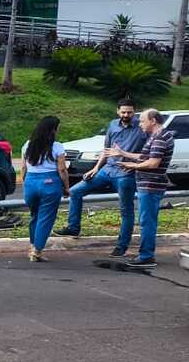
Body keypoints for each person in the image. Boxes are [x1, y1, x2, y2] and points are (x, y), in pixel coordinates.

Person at [56, 98, 145, 253]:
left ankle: (122, 246)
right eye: (123, 111)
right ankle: (73, 227)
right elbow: (106, 149)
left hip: (126, 173)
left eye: (129, 112)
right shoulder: (112, 125)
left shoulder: (142, 128)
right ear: (118, 111)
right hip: (107, 170)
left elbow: (146, 155)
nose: (126, 114)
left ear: (134, 112)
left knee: (126, 210)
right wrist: (96, 168)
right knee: (75, 191)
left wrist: (132, 162)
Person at [115, 108, 177, 270]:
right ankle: (146, 254)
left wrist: (133, 165)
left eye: (142, 120)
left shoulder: (159, 138)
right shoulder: (157, 136)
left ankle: (146, 256)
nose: (140, 124)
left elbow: (153, 163)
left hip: (150, 185)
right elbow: (145, 157)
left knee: (146, 221)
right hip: (149, 184)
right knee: (147, 220)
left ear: (153, 121)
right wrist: (124, 154)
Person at [20, 115, 69, 262]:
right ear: (53, 130)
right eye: (58, 127)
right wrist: (66, 187)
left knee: (35, 216)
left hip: (30, 183)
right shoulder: (57, 147)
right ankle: (37, 250)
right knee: (46, 218)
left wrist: (25, 184)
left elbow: (23, 167)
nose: (59, 129)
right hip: (50, 184)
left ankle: (32, 246)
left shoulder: (27, 145)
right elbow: (62, 170)